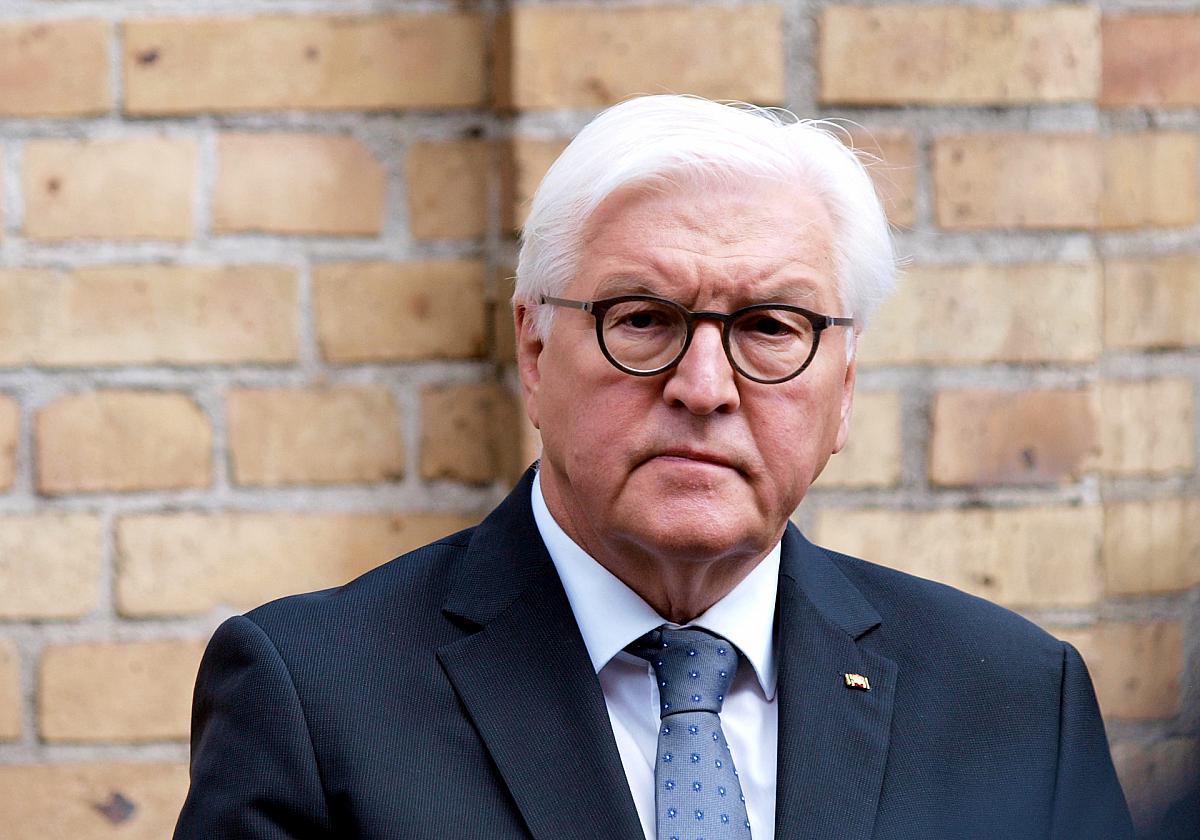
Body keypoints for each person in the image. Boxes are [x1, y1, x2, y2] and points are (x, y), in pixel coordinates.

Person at [174, 95, 1133, 839]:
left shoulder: (1013, 700)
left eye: (770, 327)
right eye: (642, 319)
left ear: (844, 388)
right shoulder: (314, 698)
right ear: (534, 352)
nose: (704, 387)